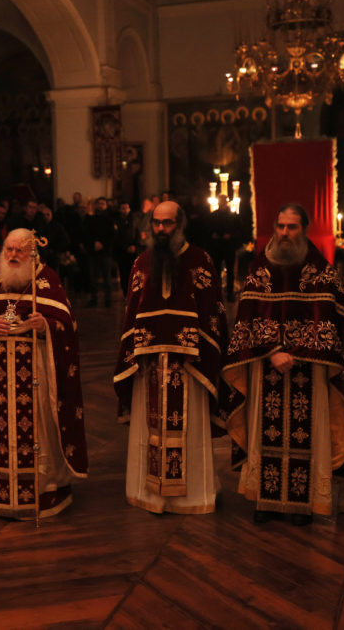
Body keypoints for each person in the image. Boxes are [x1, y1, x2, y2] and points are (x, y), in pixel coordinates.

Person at [223, 205, 344, 525]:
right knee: (265, 432)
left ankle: (304, 500)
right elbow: (247, 318)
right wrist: (273, 351)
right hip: (266, 365)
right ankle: (267, 500)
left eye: (293, 227)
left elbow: (334, 320)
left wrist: (297, 352)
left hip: (309, 368)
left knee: (309, 433)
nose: (286, 233)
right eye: (281, 226)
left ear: (304, 229)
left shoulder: (320, 270)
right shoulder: (260, 268)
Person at [0, 228, 88, 519]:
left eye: (19, 250)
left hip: (38, 374)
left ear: (33, 253)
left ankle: (45, 491)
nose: (13, 255)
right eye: (8, 250)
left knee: (40, 428)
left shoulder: (48, 281)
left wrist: (46, 326)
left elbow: (67, 325)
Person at [114, 201, 228, 514]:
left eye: (168, 223)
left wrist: (200, 348)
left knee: (188, 433)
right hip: (149, 366)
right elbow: (131, 313)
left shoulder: (200, 260)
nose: (161, 230)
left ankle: (192, 496)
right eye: (157, 223)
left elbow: (213, 314)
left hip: (189, 365)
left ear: (180, 224)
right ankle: (149, 494)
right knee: (149, 433)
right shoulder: (142, 262)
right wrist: (135, 352)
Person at [84, 196, 117, 307]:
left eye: (103, 203)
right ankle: (94, 299)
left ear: (106, 205)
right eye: (99, 203)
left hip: (105, 252)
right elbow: (86, 233)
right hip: (93, 252)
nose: (100, 205)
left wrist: (102, 244)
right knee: (93, 277)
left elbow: (112, 235)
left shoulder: (110, 219)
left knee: (107, 277)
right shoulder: (91, 218)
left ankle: (108, 299)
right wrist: (94, 243)